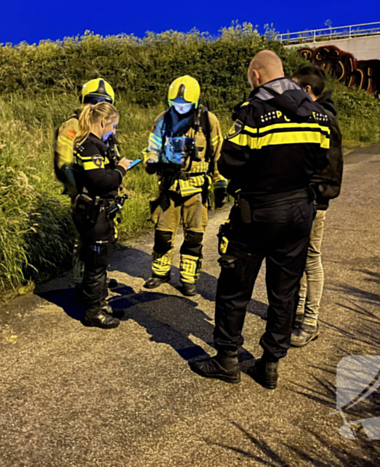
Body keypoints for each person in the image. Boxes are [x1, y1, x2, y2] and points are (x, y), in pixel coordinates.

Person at [191, 50, 330, 388]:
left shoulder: (253, 112)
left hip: (258, 212)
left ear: (256, 76)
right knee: (285, 291)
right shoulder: (318, 114)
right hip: (300, 211)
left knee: (235, 287)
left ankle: (227, 358)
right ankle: (270, 364)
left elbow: (229, 163)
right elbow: (322, 160)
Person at [142, 76, 227, 297]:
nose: (180, 107)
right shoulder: (163, 120)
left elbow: (218, 154)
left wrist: (220, 184)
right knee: (163, 233)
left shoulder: (209, 121)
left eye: (185, 104)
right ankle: (160, 272)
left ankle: (189, 277)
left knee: (194, 236)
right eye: (175, 103)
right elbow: (152, 146)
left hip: (197, 188)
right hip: (169, 185)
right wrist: (151, 160)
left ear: (195, 102)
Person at [290, 65, 344, 347]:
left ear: (307, 91)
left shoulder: (325, 121)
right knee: (297, 258)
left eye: (294, 87)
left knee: (311, 259)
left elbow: (329, 169)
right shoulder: (312, 116)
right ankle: (297, 312)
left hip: (313, 202)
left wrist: (312, 194)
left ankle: (310, 322)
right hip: (302, 200)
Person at [71, 102, 132, 328]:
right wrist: (121, 170)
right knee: (96, 262)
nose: (114, 132)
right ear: (103, 122)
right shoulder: (89, 146)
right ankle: (93, 311)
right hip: (94, 212)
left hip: (98, 212)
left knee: (101, 259)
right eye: (113, 127)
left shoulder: (93, 144)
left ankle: (101, 301)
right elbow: (99, 181)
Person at [54, 79, 119, 292]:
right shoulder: (72, 125)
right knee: (84, 240)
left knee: (100, 241)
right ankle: (83, 284)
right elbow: (63, 163)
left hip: (103, 193)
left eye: (102, 102)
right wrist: (78, 193)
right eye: (92, 101)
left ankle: (95, 282)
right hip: (86, 195)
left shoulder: (103, 125)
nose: (96, 106)